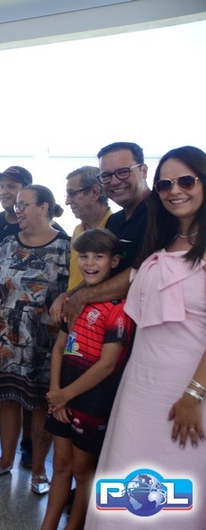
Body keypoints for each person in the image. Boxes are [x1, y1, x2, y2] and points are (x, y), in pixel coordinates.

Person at [88, 146, 206, 530]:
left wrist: (193, 396)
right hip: (139, 386)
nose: (175, 191)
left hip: (187, 392)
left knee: (172, 494)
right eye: (165, 185)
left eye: (186, 181)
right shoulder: (162, 241)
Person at [0, 185, 69, 496]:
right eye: (17, 205)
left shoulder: (66, 247)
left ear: (44, 207)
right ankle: (5, 460)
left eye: (24, 205)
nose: (17, 210)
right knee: (7, 400)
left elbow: (73, 296)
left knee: (41, 405)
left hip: (45, 345)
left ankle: (39, 469)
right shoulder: (7, 244)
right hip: (6, 338)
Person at [41, 229, 132, 530]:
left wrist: (65, 395)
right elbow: (59, 348)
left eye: (99, 256)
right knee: (60, 464)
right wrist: (56, 392)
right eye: (84, 256)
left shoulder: (118, 308)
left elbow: (107, 365)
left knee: (82, 470)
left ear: (114, 261)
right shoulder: (74, 302)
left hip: (92, 402)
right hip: (62, 396)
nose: (90, 263)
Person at [53, 142, 150, 324]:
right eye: (106, 176)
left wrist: (83, 296)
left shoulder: (161, 216)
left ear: (143, 171)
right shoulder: (114, 221)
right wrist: (69, 294)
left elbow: (142, 273)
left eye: (123, 172)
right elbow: (101, 272)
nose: (114, 181)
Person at [64, 166, 112, 291]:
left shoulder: (115, 228)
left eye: (72, 194)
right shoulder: (77, 230)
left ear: (94, 192)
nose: (67, 202)